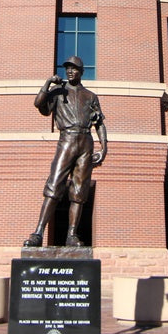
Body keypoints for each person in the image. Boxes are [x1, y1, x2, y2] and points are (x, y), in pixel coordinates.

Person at [24, 56, 107, 247]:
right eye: (68, 68)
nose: (70, 71)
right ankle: (38, 233)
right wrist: (47, 83)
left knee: (79, 191)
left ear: (81, 71)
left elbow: (100, 123)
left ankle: (72, 235)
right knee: (54, 186)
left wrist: (104, 146)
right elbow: (38, 104)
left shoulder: (90, 96)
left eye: (74, 68)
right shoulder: (58, 91)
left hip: (86, 142)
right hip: (67, 140)